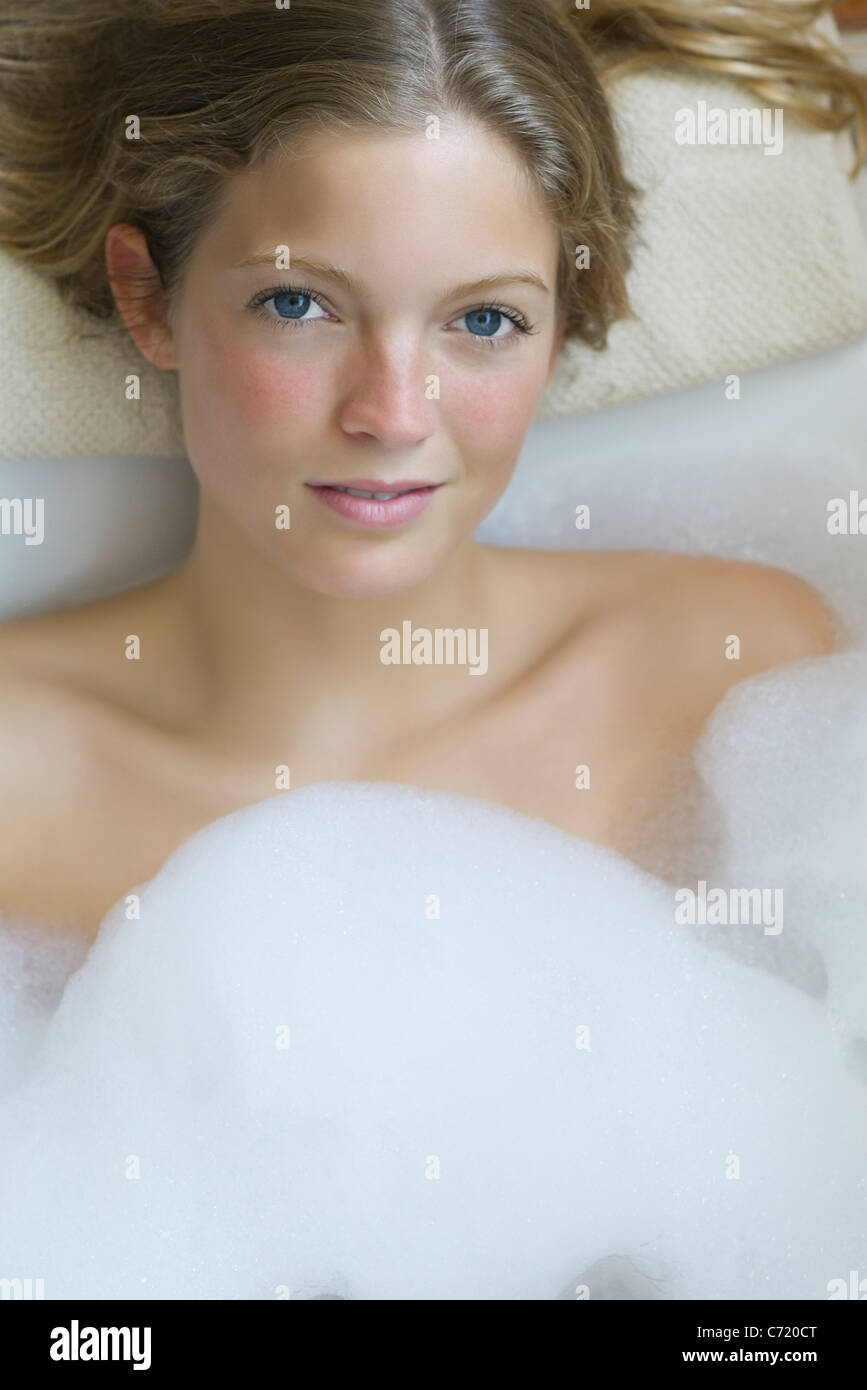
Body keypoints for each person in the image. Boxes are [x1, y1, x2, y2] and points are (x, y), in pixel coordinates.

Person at [0, 0, 862, 943]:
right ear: (151, 298)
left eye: (484, 320)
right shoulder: (18, 778)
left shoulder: (739, 671)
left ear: (561, 324)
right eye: (298, 303)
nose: (393, 414)